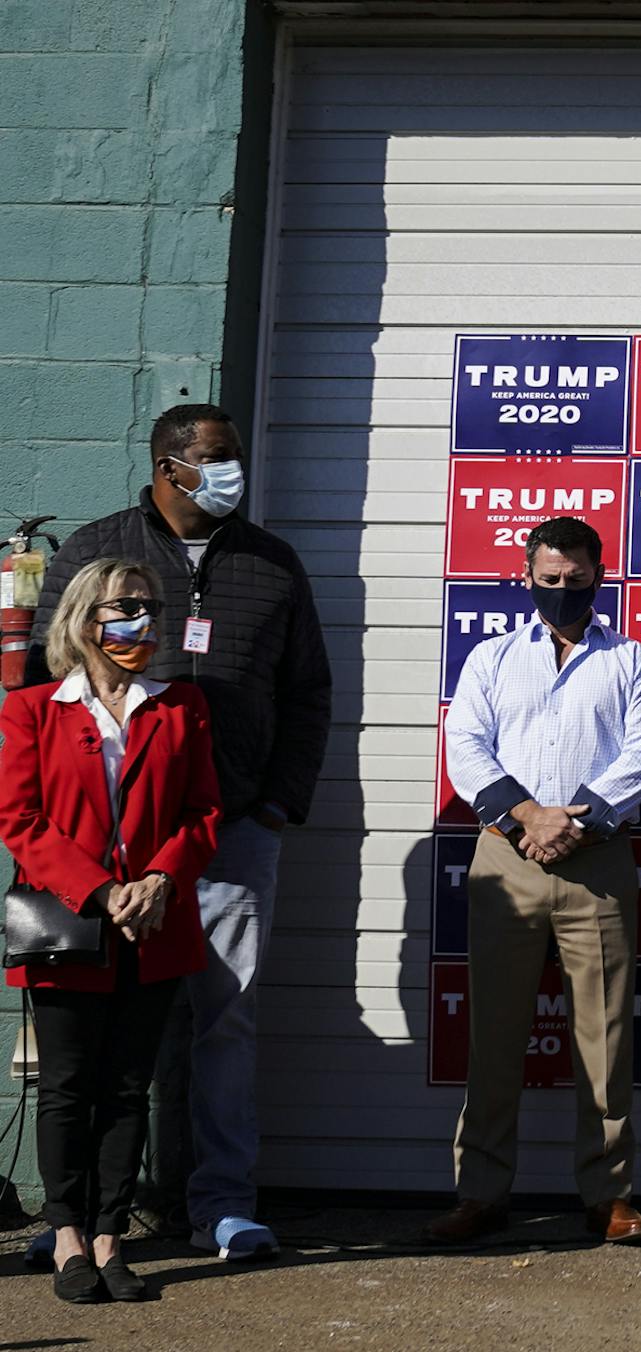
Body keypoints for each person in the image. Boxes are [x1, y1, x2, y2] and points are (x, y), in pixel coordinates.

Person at [27, 402, 332, 1263]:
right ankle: (80, 1220)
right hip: (104, 854)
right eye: (220, 457)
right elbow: (39, 682)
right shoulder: (95, 549)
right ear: (172, 466)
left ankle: (222, 1206)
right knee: (100, 1042)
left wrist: (275, 803)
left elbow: (309, 691)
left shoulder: (271, 563)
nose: (235, 470)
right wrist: (70, 848)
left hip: (227, 832)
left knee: (223, 1022)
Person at [428, 516, 641, 1246]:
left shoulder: (631, 661)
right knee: (494, 1035)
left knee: (606, 1037)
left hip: (597, 860)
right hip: (507, 857)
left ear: (600, 575)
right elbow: (464, 744)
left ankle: (609, 1196)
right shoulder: (492, 658)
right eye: (549, 578)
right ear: (526, 575)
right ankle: (482, 1194)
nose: (561, 590)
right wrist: (527, 815)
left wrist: (577, 821)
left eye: (576, 579)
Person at [1, 560, 219, 1302]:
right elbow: (19, 819)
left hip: (155, 920)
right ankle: (65, 1234)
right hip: (70, 921)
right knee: (67, 1085)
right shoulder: (33, 709)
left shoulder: (182, 704)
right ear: (85, 618)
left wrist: (158, 879)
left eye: (149, 608)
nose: (141, 623)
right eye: (125, 608)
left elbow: (204, 812)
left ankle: (108, 1234)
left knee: (129, 1087)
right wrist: (101, 889)